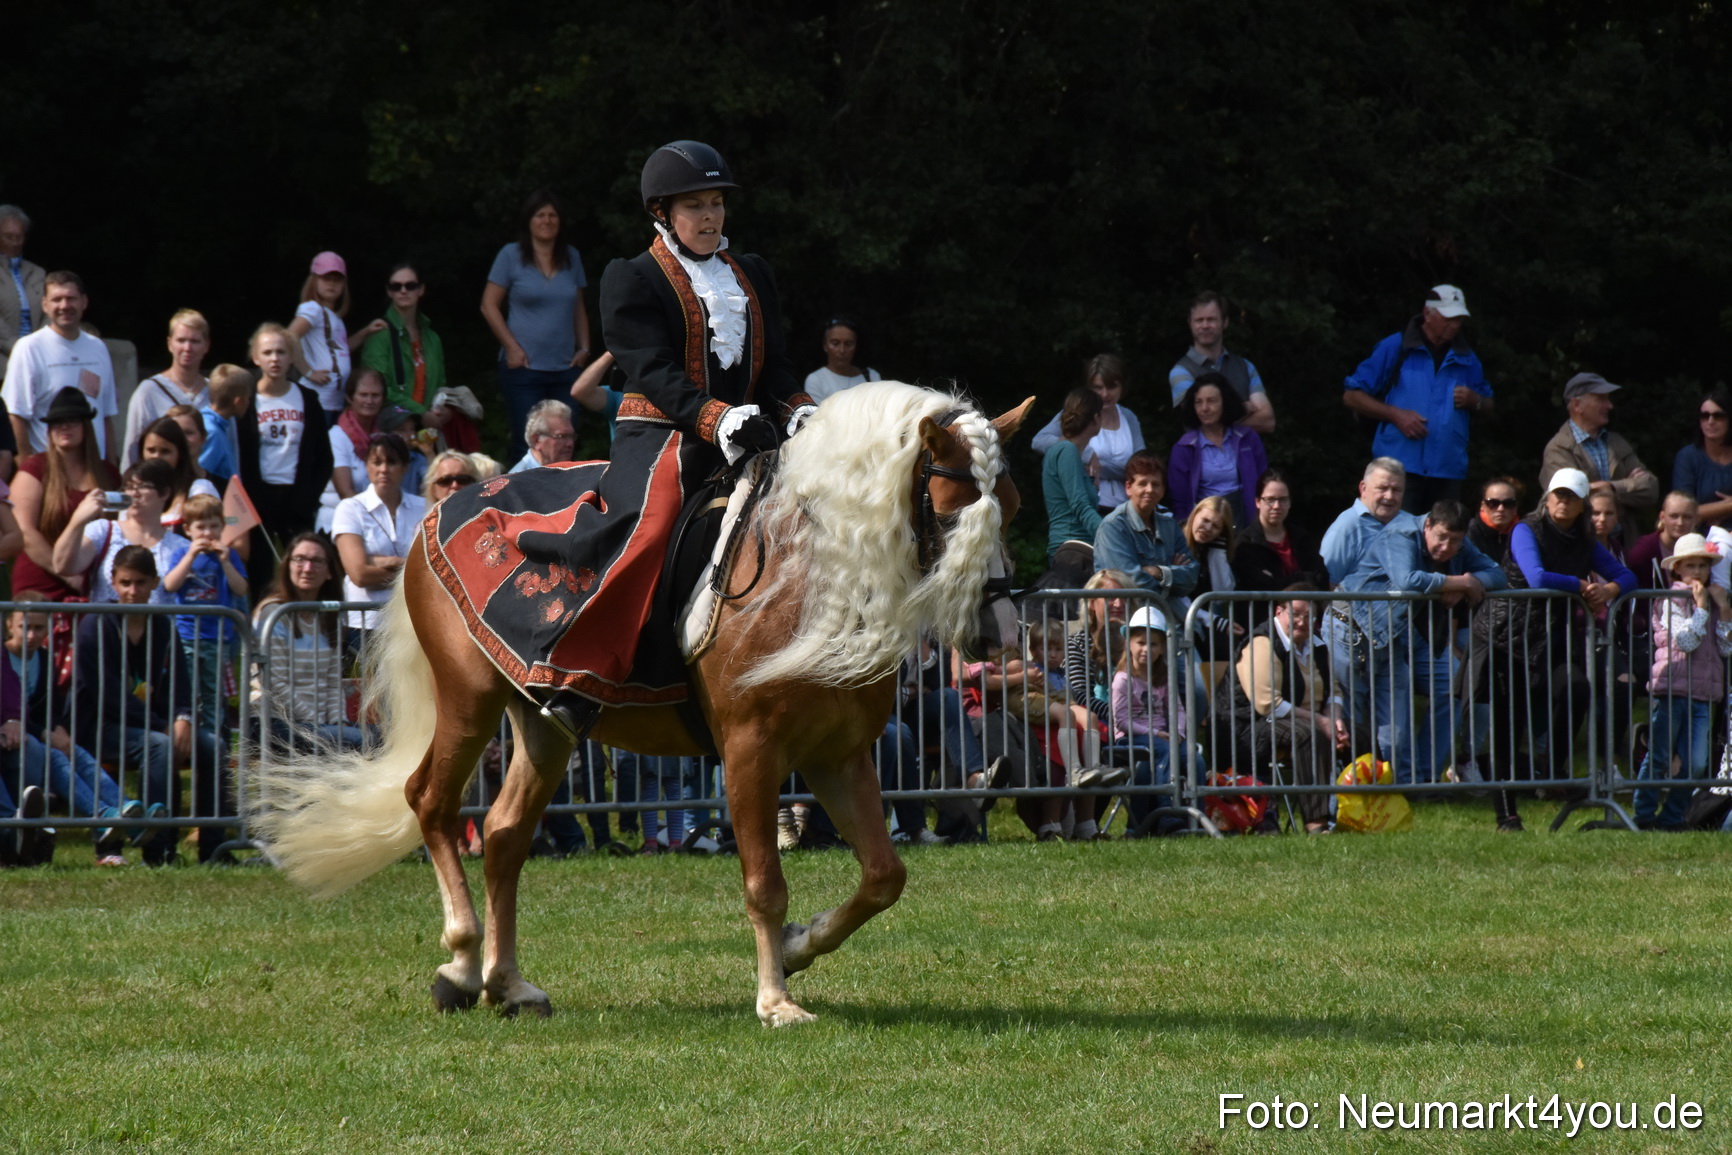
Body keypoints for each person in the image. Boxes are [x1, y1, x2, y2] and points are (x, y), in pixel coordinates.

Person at [427, 141, 806, 740]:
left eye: (716, 205)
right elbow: (651, 368)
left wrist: (800, 409)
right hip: (664, 436)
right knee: (648, 527)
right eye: (695, 207)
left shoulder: (752, 272)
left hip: (752, 432)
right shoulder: (632, 277)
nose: (710, 217)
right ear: (662, 213)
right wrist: (715, 418)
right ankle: (583, 675)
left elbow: (777, 364)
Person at [1470, 468, 1636, 831]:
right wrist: (1581, 584)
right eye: (1558, 494)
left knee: (1576, 689)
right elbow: (1536, 576)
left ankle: (1553, 770)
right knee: (1508, 723)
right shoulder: (1525, 529)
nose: (1563, 501)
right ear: (1547, 498)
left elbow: (1627, 576)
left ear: (1581, 506)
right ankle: (1506, 815)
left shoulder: (1584, 539)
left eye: (1572, 497)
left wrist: (1608, 590)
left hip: (1550, 638)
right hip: (1506, 636)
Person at [73, 546, 230, 864]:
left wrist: (184, 717)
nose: (133, 591)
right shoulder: (96, 625)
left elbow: (181, 684)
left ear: (155, 582)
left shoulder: (162, 625)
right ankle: (157, 850)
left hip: (154, 723)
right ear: (113, 582)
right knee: (159, 745)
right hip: (100, 725)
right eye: (126, 583)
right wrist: (165, 725)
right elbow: (109, 695)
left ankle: (213, 849)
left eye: (141, 583)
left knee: (214, 746)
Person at [1339, 499, 1507, 786]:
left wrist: (1465, 579)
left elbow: (1498, 575)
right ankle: (1354, 786)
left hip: (1412, 633)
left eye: (1455, 541)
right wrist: (1458, 583)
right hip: (1358, 627)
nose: (1446, 547)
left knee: (1453, 686)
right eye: (1441, 537)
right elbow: (1407, 581)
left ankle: (1423, 777)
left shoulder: (1459, 544)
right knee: (1369, 716)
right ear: (1427, 524)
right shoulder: (1401, 534)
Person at [2, 597, 138, 866]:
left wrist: (56, 728)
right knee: (56, 756)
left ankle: (122, 810)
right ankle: (106, 816)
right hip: (22, 737)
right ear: (9, 626)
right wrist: (43, 732)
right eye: (24, 627)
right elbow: (15, 708)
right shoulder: (4, 657)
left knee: (73, 751)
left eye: (39, 628)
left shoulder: (43, 658)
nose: (31, 635)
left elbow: (48, 704)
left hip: (32, 734)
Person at [1213, 586, 1355, 832]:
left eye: (1311, 617)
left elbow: (1334, 690)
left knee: (1358, 733)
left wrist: (1335, 720)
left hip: (1295, 721)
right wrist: (1321, 722)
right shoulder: (1261, 643)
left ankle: (1360, 815)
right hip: (1248, 725)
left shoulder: (1318, 645)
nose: (1303, 622)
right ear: (1279, 611)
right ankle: (1317, 822)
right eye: (1296, 613)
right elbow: (1267, 703)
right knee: (1309, 734)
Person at [1342, 285, 1493, 513]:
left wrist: (1475, 400)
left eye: (1459, 319)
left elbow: (1490, 405)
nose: (1455, 325)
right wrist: (1395, 415)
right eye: (1449, 317)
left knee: (1442, 543)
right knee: (1395, 540)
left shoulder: (1467, 357)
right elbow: (1352, 396)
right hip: (1397, 471)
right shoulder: (1396, 347)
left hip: (1447, 470)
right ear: (1428, 314)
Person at [481, 190, 593, 463]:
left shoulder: (571, 257)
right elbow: (488, 305)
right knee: (527, 446)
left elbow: (578, 306)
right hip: (524, 371)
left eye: (552, 215)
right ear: (528, 220)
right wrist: (511, 348)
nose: (547, 220)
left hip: (566, 370)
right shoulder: (511, 255)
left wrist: (585, 347)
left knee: (564, 445)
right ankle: (522, 504)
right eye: (540, 215)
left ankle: (565, 504)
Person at [1319, 458, 1419, 751]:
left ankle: (1391, 788)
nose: (1389, 496)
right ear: (1363, 488)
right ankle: (1354, 792)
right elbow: (1326, 581)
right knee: (1353, 726)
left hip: (1392, 637)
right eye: (1382, 488)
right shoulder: (1346, 527)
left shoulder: (1408, 525)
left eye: (1396, 490)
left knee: (1394, 732)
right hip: (1346, 636)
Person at [1634, 534, 1732, 830]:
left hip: (1703, 693)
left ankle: (1674, 815)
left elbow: (1726, 648)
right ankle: (1644, 814)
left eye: (1703, 565)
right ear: (1677, 569)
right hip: (1673, 690)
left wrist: (1723, 609)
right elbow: (1685, 641)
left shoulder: (1714, 603)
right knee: (1660, 756)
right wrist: (1701, 609)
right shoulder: (1670, 600)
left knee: (1697, 763)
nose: (1698, 572)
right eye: (1691, 565)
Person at [238, 323, 333, 587]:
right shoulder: (245, 399)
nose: (274, 359)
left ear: (291, 356)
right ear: (255, 357)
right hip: (258, 497)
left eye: (281, 352)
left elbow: (325, 458)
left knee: (303, 568)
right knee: (261, 572)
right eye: (267, 352)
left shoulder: (307, 398)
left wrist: (309, 496)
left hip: (297, 499)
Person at [252, 533, 365, 753]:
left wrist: (338, 721)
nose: (307, 567)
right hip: (277, 720)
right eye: (300, 559)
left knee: (379, 737)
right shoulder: (274, 613)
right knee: (362, 741)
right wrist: (317, 723)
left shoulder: (329, 616)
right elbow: (274, 682)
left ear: (330, 571)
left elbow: (333, 681)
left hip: (319, 723)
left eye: (317, 561)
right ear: (287, 566)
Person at [8, 386, 119, 599]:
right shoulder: (35, 468)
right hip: (40, 582)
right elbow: (25, 532)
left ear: (86, 426)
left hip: (96, 583)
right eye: (57, 422)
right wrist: (70, 576)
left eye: (73, 421)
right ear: (48, 430)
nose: (64, 426)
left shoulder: (108, 474)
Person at [2, 270, 120, 463]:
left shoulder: (98, 347)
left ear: (84, 302)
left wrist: (111, 468)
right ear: (45, 305)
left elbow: (106, 415)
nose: (64, 305)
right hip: (50, 468)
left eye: (71, 298)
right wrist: (28, 469)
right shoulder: (29, 348)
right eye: (57, 299)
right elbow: (16, 416)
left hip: (94, 467)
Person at [161, 493, 247, 739]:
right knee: (187, 688)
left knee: (212, 690)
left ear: (222, 527)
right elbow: (170, 585)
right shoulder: (181, 554)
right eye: (201, 527)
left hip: (217, 638)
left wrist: (226, 562)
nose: (207, 533)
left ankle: (211, 736)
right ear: (188, 529)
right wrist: (190, 556)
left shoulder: (229, 556)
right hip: (186, 635)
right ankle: (187, 732)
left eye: (214, 526)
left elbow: (240, 589)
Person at [1538, 372, 1656, 549]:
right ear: (1577, 405)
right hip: (1580, 547)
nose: (1609, 405)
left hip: (1623, 544)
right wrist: (1629, 485)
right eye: (1601, 399)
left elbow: (1651, 488)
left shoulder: (1617, 442)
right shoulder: (1558, 449)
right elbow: (1570, 497)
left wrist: (1611, 487)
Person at [52, 458, 189, 605]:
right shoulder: (104, 530)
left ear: (165, 493)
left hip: (159, 627)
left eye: (143, 486)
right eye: (129, 487)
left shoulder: (181, 546)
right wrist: (77, 521)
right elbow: (62, 566)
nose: (134, 493)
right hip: (108, 626)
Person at [333, 432, 426, 633]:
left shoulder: (423, 508)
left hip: (409, 622)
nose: (384, 469)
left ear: (405, 467)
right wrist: (408, 567)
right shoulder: (350, 508)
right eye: (376, 462)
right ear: (367, 466)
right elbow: (359, 575)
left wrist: (384, 562)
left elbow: (430, 570)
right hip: (364, 623)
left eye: (391, 462)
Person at [1029, 354, 1147, 509]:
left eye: (1111, 387)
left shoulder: (1128, 417)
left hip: (1128, 508)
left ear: (1122, 387)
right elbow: (1039, 441)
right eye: (1098, 387)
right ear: (1089, 388)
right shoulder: (1078, 413)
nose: (1105, 394)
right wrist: (1087, 454)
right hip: (1087, 505)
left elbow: (1142, 467)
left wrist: (1095, 465)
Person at [1110, 605, 1187, 836]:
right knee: (1159, 754)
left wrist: (1179, 733)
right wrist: (1155, 734)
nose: (1146, 649)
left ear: (1162, 648)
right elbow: (1121, 721)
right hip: (1130, 739)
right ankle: (1168, 818)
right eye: (1141, 642)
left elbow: (1178, 709)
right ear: (1129, 644)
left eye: (1153, 644)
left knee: (1193, 758)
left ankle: (1194, 822)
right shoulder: (1123, 679)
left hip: (1163, 738)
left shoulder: (1164, 676)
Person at [288, 251, 386, 421]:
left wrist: (366, 331)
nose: (332, 284)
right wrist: (308, 372)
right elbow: (289, 338)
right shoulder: (313, 309)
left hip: (334, 402)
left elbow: (342, 349)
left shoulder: (335, 318)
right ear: (314, 280)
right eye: (326, 278)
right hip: (317, 399)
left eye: (337, 280)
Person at [1168, 291, 1275, 435]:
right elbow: (1199, 419)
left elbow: (1267, 421)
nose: (1205, 325)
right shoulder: (1180, 372)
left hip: (1244, 457)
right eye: (1199, 320)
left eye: (1211, 319)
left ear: (1225, 322)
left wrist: (1221, 421)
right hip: (1203, 457)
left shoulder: (1245, 366)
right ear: (1190, 324)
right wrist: (1244, 408)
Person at [1168, 372, 1268, 525]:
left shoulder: (1247, 438)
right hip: (1207, 523)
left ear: (1225, 402)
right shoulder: (1184, 447)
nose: (1204, 408)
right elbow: (1180, 502)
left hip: (1248, 520)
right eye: (1198, 402)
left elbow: (1264, 483)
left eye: (1211, 401)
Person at [1093, 450, 1196, 596]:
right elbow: (1130, 582)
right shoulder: (1113, 527)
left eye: (1156, 484)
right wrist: (1172, 577)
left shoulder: (1170, 526)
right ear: (1128, 487)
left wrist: (1158, 572)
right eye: (1142, 484)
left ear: (1163, 490)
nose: (1150, 490)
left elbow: (1191, 578)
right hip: (1128, 613)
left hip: (1170, 612)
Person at [122, 309, 211, 468]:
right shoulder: (148, 391)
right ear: (170, 343)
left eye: (195, 341)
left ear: (206, 345)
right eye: (181, 340)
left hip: (207, 482)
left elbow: (230, 445)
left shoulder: (215, 391)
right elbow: (133, 447)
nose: (187, 348)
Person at [1233, 469, 1327, 599]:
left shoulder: (1301, 537)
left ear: (1290, 502)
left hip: (1305, 617)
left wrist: (1278, 582)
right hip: (1263, 617)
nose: (1277, 506)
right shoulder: (1246, 543)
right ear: (1258, 502)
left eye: (1283, 499)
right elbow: (1262, 588)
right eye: (1270, 499)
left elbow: (1321, 578)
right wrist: (1302, 577)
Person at [1041, 385, 1104, 572]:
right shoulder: (1066, 451)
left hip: (1076, 551)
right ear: (1095, 417)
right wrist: (1112, 535)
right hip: (1073, 554)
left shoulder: (1068, 453)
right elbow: (1080, 506)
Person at [317, 368, 386, 533]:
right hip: (338, 522)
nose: (370, 401)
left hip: (377, 523)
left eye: (375, 395)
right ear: (349, 397)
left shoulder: (384, 437)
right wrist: (382, 521)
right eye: (363, 395)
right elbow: (345, 491)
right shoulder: (336, 436)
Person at [134, 415, 219, 530]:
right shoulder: (132, 490)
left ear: (180, 454)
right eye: (151, 450)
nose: (157, 457)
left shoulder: (199, 489)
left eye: (165, 451)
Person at [1671, 386, 1732, 530]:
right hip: (1698, 541)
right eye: (1705, 416)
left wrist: (1706, 511)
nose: (1711, 421)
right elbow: (1682, 511)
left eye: (1719, 416)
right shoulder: (1687, 457)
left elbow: (1694, 512)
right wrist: (1728, 506)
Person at [0, 205, 45, 383]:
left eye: (19, 237)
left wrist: (40, 345)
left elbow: (49, 309)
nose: (15, 242)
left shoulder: (38, 273)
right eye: (9, 237)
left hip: (37, 358)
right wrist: (17, 347)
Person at [1628, 491, 1701, 589]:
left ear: (1696, 519)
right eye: (1674, 516)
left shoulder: (1701, 549)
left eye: (1687, 517)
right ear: (1662, 517)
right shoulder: (1644, 551)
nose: (1680, 523)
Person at [196, 364, 253, 488]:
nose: (249, 402)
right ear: (238, 402)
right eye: (248, 398)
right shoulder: (212, 433)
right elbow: (199, 477)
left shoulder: (210, 425)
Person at [802, 317, 882, 404]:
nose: (842, 350)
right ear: (825, 345)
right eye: (835, 343)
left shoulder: (872, 377)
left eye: (848, 344)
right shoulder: (816, 380)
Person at [508, 398, 577, 473]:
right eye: (561, 436)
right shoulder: (518, 480)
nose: (570, 443)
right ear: (536, 440)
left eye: (571, 436)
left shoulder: (575, 473)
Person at [1467, 476, 1524, 563]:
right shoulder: (1469, 532)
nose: (1500, 509)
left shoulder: (1524, 533)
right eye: (1493, 503)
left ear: (1516, 507)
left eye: (1508, 503)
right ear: (1483, 506)